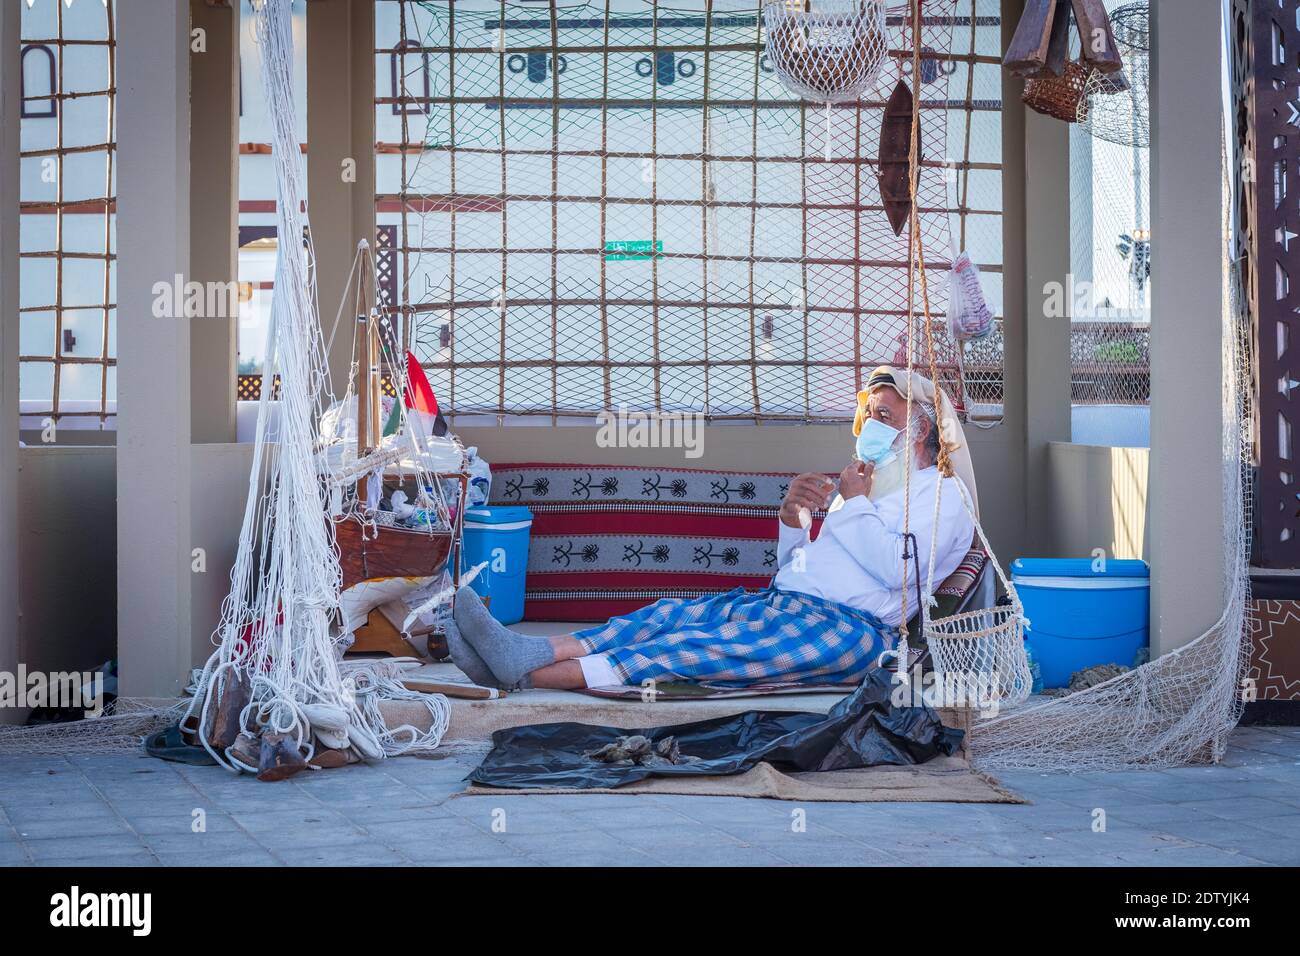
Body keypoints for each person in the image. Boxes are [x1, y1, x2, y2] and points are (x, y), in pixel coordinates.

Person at [447, 367, 976, 691]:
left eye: (884, 415)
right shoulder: (866, 488)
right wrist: (793, 523)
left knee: (688, 651)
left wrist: (853, 504)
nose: (869, 426)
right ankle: (522, 654)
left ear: (922, 427)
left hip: (850, 631)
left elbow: (894, 570)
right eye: (868, 414)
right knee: (668, 617)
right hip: (783, 601)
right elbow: (797, 568)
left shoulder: (944, 497)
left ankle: (514, 672)